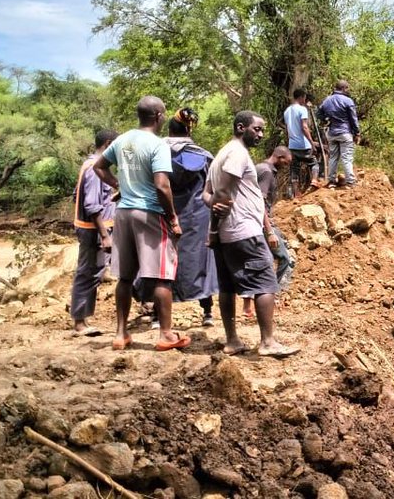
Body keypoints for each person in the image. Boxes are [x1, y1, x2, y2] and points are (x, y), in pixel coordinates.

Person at [93, 96, 188, 352]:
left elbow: (99, 167)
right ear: (158, 116)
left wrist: (119, 185)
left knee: (125, 277)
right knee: (161, 277)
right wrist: (172, 217)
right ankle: (166, 335)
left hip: (123, 212)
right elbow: (162, 185)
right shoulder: (158, 145)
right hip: (150, 214)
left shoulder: (122, 140)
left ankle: (121, 334)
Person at [205, 111, 299, 358]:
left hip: (227, 234)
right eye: (256, 129)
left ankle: (232, 340)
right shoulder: (236, 154)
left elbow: (207, 194)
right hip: (244, 231)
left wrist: (214, 228)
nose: (260, 134)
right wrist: (215, 223)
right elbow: (223, 194)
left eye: (262, 130)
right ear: (240, 127)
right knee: (265, 283)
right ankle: (268, 342)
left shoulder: (221, 155)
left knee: (227, 287)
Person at [164, 107, 219, 327]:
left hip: (167, 214)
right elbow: (213, 187)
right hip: (197, 216)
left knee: (163, 260)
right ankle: (207, 312)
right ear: (189, 130)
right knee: (200, 259)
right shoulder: (204, 157)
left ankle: (158, 316)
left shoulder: (157, 153)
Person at [69, 129, 117, 337]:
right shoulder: (95, 168)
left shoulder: (88, 164)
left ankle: (83, 318)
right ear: (108, 145)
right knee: (88, 273)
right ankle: (80, 322)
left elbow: (76, 195)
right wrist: (105, 235)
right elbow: (92, 205)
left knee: (93, 272)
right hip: (94, 230)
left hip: (92, 228)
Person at [251, 146, 295, 304]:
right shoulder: (267, 173)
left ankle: (263, 294)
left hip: (256, 223)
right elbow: (259, 202)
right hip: (262, 223)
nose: (286, 166)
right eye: (286, 162)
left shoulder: (259, 168)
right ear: (279, 157)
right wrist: (269, 230)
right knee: (287, 259)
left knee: (267, 260)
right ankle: (273, 295)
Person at [317, 80, 360, 188]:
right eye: (347, 89)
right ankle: (350, 181)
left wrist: (325, 119)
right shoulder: (348, 101)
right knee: (346, 157)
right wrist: (357, 133)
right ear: (344, 88)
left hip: (332, 133)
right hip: (345, 133)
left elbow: (318, 113)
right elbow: (353, 119)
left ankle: (331, 181)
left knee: (333, 158)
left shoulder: (327, 100)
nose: (348, 91)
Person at [282, 88, 317, 196]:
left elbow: (288, 129)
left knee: (294, 168)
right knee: (314, 162)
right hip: (303, 144)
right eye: (304, 98)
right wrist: (312, 142)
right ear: (302, 97)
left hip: (292, 145)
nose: (305, 100)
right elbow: (304, 127)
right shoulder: (302, 109)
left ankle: (297, 193)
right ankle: (314, 181)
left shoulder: (287, 111)